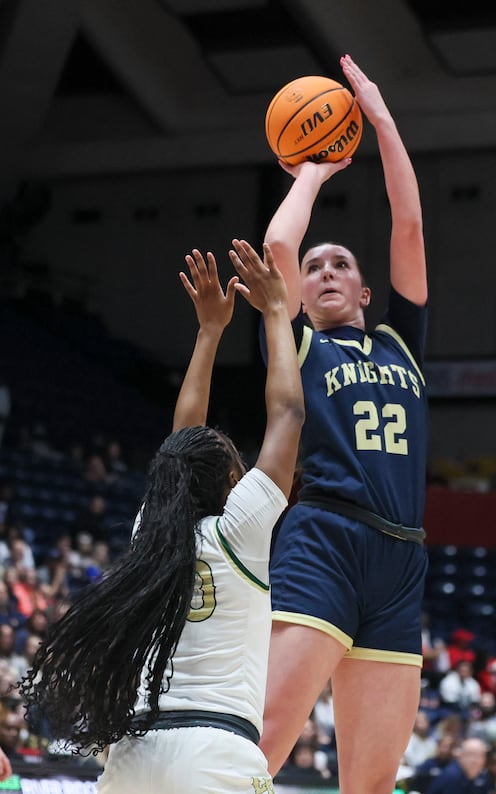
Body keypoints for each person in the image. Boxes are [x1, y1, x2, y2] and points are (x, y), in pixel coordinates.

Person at [18, 239, 304, 794]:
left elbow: (179, 444)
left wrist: (208, 333)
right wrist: (274, 311)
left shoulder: (153, 536)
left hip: (133, 755)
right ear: (229, 484)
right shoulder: (237, 532)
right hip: (212, 753)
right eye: (239, 469)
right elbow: (289, 414)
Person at [259, 53, 429, 794]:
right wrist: (315, 169)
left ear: (365, 287)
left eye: (341, 263)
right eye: (317, 265)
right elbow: (277, 250)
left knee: (371, 785)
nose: (324, 270)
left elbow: (411, 222)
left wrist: (381, 116)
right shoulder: (301, 343)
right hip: (323, 539)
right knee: (257, 746)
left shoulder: (400, 342)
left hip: (400, 560)